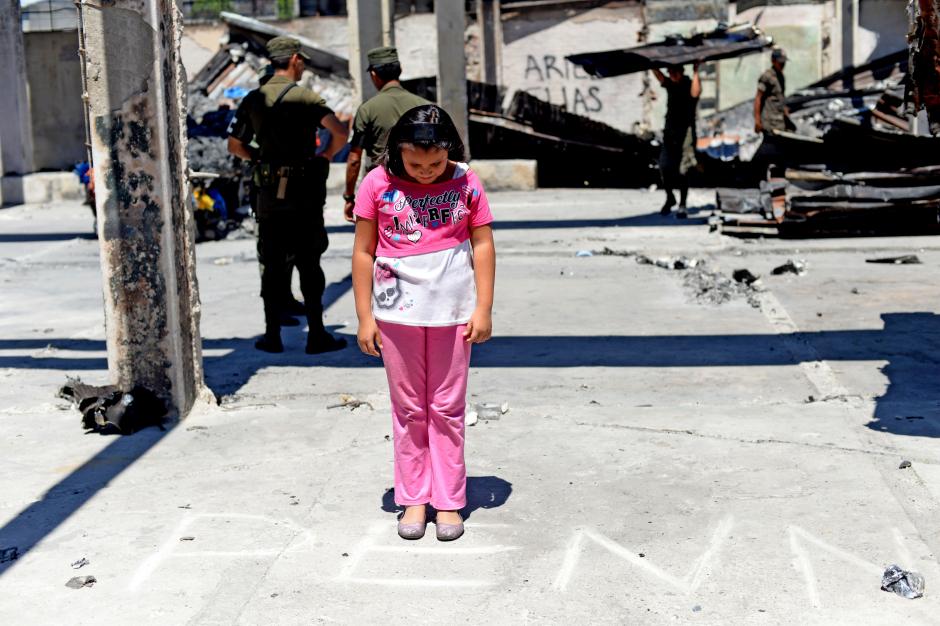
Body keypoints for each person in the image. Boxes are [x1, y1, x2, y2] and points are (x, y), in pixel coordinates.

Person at [351, 105, 496, 542]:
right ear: (398, 152)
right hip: (396, 315)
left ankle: (449, 500)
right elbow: (363, 251)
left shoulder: (466, 180)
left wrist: (484, 307)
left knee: (448, 409)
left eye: (436, 162)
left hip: (454, 314)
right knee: (410, 408)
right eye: (416, 163)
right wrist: (364, 317)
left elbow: (483, 243)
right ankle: (414, 496)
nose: (428, 171)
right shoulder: (376, 183)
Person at [227, 36, 349, 354]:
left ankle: (272, 335)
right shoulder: (307, 99)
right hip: (304, 194)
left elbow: (234, 145)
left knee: (271, 261)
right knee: (309, 262)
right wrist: (325, 155)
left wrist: (261, 159)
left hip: (268, 194)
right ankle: (317, 334)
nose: (304, 65)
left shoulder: (253, 99)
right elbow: (340, 132)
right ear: (294, 59)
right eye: (303, 60)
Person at [343, 46, 430, 223]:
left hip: (382, 189)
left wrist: (349, 197)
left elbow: (354, 159)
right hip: (420, 187)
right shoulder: (424, 106)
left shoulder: (367, 109)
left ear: (374, 74)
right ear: (400, 70)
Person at [652, 62, 701, 218]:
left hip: (685, 132)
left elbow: (695, 94)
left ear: (680, 72)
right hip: (670, 132)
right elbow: (661, 78)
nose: (672, 75)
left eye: (674, 72)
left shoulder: (688, 83)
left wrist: (696, 71)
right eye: (670, 72)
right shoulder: (670, 85)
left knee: (683, 170)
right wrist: (651, 65)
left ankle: (683, 204)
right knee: (664, 166)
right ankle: (670, 197)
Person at [754, 48, 792, 135]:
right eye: (780, 63)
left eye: (784, 63)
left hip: (780, 122)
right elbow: (758, 98)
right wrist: (757, 121)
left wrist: (786, 114)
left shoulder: (781, 77)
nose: (783, 65)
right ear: (773, 61)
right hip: (769, 123)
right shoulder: (767, 77)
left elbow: (780, 97)